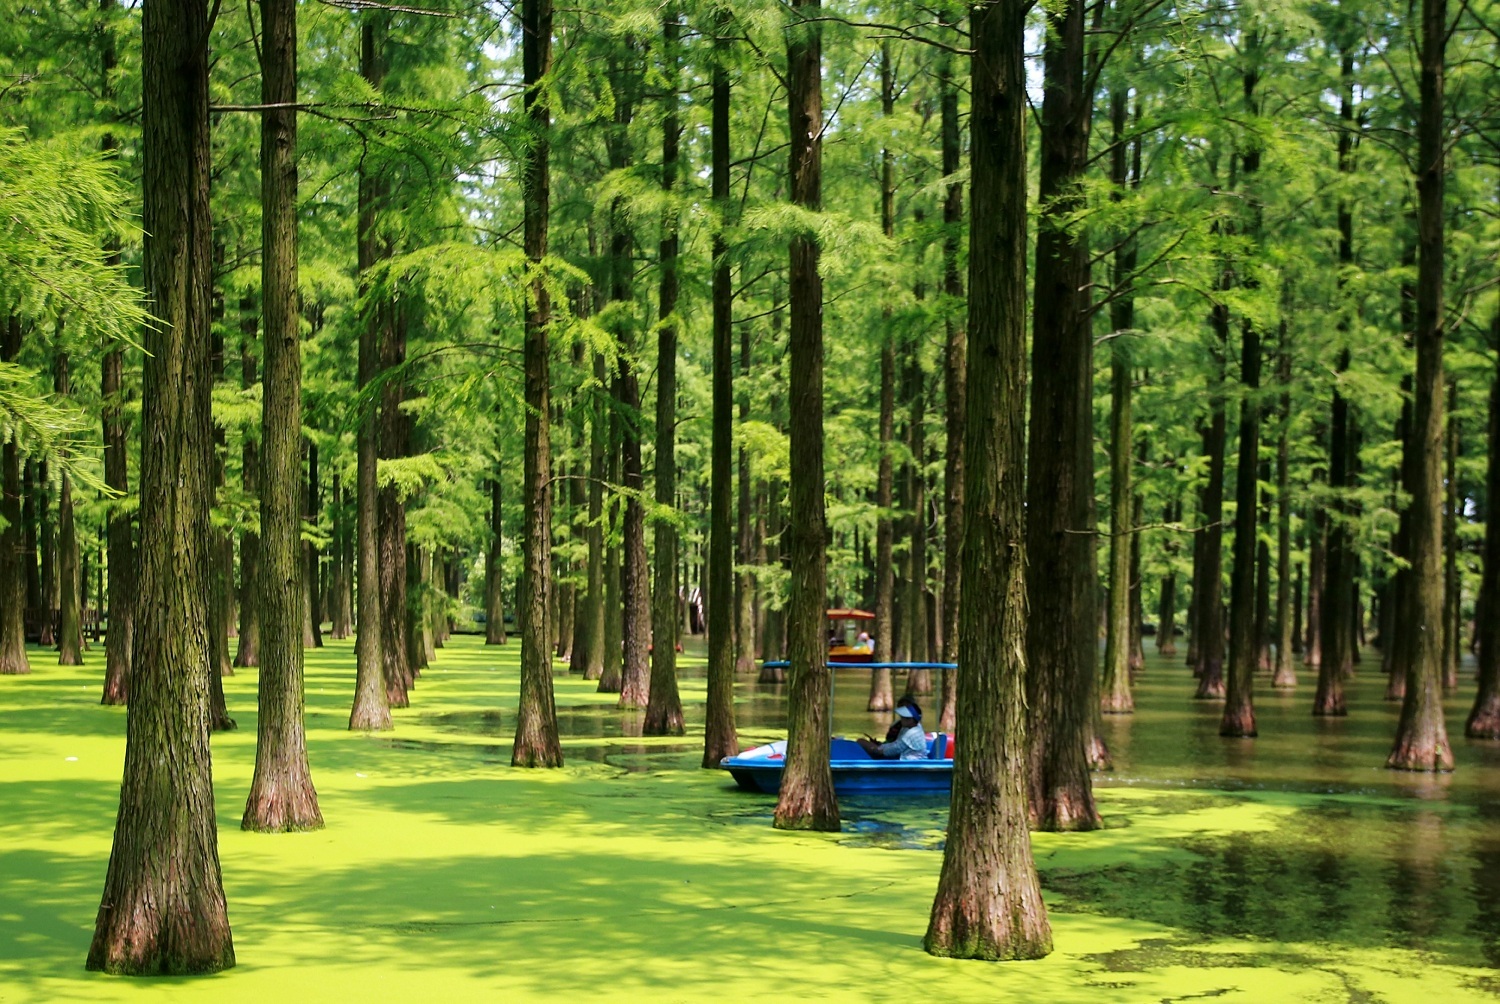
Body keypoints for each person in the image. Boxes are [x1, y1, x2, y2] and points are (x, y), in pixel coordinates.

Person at [857, 698, 928, 760]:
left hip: (910, 762)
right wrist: (880, 745)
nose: (902, 719)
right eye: (902, 716)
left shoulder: (911, 733)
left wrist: (877, 748)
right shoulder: (911, 727)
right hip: (905, 757)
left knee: (861, 741)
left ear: (912, 719)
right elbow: (895, 745)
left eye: (906, 717)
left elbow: (892, 750)